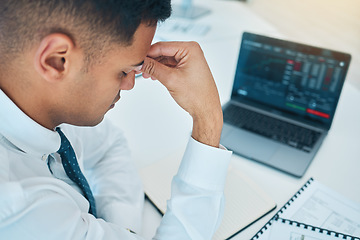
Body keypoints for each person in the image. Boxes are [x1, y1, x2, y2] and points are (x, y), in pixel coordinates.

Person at [0, 0, 232, 239]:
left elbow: (109, 145)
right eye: (123, 71)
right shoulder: (18, 206)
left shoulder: (40, 99)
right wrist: (208, 118)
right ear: (57, 60)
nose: (130, 84)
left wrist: (119, 230)